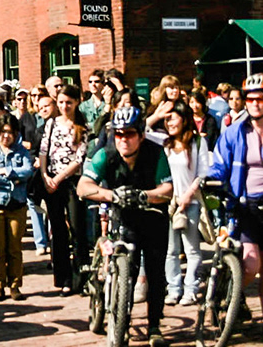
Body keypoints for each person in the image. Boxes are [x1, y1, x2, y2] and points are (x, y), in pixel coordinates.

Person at [204, 78, 263, 347]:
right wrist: (211, 180)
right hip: (243, 206)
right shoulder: (234, 133)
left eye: (260, 99)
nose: (255, 104)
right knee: (251, 263)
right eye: (250, 99)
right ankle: (229, 294)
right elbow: (220, 164)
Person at [78, 108, 175, 347]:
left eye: (129, 134)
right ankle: (122, 320)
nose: (123, 139)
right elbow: (83, 186)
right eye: (118, 134)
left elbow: (168, 189)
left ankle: (154, 325)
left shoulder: (155, 153)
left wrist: (145, 195)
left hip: (153, 217)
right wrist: (110, 195)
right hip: (123, 217)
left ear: (141, 135)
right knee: (127, 270)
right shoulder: (105, 154)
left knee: (155, 273)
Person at [39, 86, 88, 296]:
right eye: (60, 102)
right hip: (51, 181)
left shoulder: (82, 126)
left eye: (69, 102)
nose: (64, 106)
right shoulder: (51, 124)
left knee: (77, 229)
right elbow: (43, 150)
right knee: (58, 231)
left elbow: (79, 158)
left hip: (71, 182)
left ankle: (81, 278)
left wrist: (59, 178)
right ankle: (63, 278)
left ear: (77, 102)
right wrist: (45, 175)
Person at [0, 115, 34, 301]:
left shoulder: (21, 151)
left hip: (17, 204)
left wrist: (7, 171)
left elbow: (27, 171)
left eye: (10, 132)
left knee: (15, 248)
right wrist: (12, 182)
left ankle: (15, 285)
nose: (6, 136)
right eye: (3, 132)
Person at [163, 103, 211, 305]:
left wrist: (188, 195)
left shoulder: (197, 142)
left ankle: (191, 289)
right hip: (169, 203)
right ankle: (173, 289)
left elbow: (202, 173)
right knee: (171, 251)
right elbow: (144, 130)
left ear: (184, 119)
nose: (169, 123)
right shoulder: (164, 144)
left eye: (172, 118)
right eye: (166, 120)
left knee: (191, 249)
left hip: (190, 201)